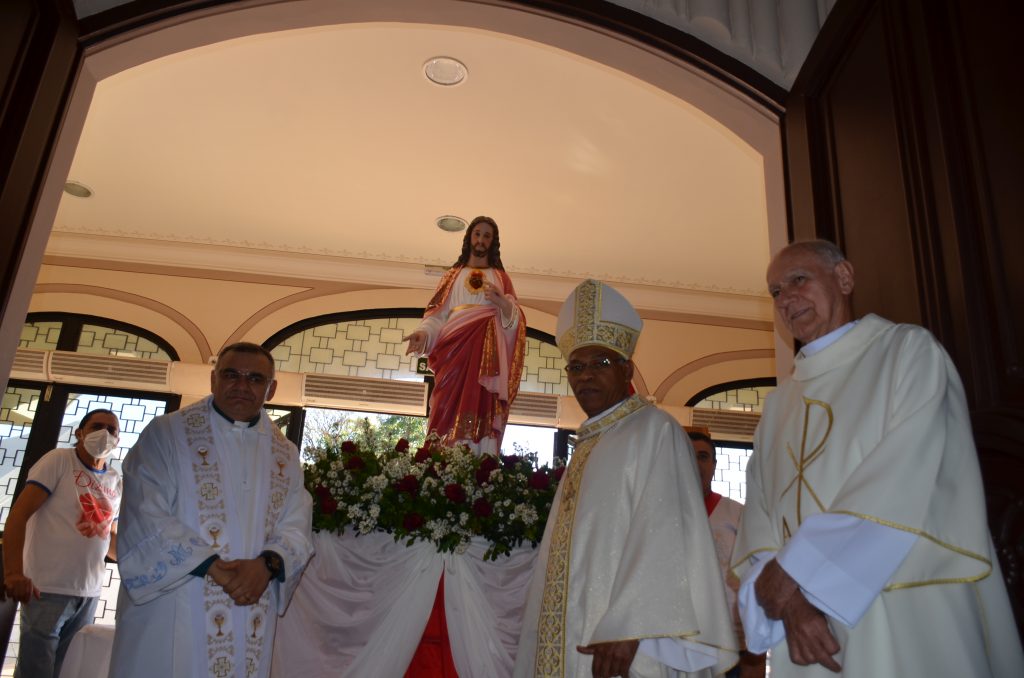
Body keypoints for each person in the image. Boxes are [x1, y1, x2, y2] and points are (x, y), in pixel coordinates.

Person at [733, 240, 1024, 677]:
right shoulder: (777, 406)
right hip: (805, 627)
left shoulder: (908, 352)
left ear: (844, 278)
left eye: (798, 280)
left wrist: (799, 572)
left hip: (905, 597)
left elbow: (905, 474)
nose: (787, 298)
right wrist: (792, 602)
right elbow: (759, 509)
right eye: (775, 292)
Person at [514, 279, 737, 678]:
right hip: (576, 636)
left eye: (599, 364)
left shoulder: (655, 431)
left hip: (626, 644)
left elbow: (666, 535)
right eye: (576, 367)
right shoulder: (588, 443)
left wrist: (630, 629)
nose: (585, 377)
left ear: (626, 369)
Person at [108, 342, 314, 678]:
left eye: (255, 378)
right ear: (213, 379)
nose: (242, 385)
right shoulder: (167, 434)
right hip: (176, 601)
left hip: (249, 605)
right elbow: (145, 512)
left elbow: (297, 524)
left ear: (270, 388)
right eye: (231, 375)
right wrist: (215, 568)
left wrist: (267, 565)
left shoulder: (285, 454)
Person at [2, 409, 121, 678]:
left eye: (111, 430)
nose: (104, 433)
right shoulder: (59, 461)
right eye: (96, 426)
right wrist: (13, 572)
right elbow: (18, 516)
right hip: (47, 588)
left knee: (68, 670)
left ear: (118, 439)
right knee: (36, 670)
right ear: (80, 433)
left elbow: (108, 541)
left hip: (88, 593)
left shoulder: (115, 480)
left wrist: (144, 559)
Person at [404, 216, 526, 454]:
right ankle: (443, 453)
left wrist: (503, 305)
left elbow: (516, 323)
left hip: (486, 356)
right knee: (444, 403)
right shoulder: (452, 276)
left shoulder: (501, 278)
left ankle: (479, 457)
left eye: (487, 235)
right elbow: (437, 316)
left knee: (481, 402)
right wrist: (423, 334)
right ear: (469, 237)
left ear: (493, 242)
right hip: (453, 352)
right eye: (477, 233)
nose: (481, 239)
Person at [687, 430, 765, 678]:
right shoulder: (662, 516)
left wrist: (754, 626)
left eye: (703, 456)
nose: (696, 463)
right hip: (680, 638)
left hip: (732, 637)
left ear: (713, 465)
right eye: (689, 455)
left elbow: (758, 571)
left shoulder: (737, 513)